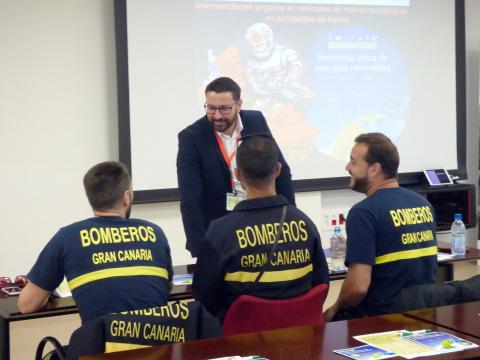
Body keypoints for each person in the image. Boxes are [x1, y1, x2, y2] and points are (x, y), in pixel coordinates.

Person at [18, 161, 173, 323]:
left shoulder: (67, 238)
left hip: (102, 345)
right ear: (126, 197)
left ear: (91, 197)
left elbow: (27, 305)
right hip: (158, 344)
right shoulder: (155, 233)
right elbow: (164, 289)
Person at [193, 135, 329, 320]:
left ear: (237, 174)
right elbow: (321, 284)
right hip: (301, 338)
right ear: (278, 169)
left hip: (239, 342)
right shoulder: (305, 224)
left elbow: (204, 298)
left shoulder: (220, 232)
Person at [324, 133, 437, 321]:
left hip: (378, 319)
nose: (347, 167)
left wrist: (334, 309)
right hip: (422, 314)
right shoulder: (423, 204)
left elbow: (358, 288)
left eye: (353, 162)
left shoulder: (364, 213)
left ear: (374, 169)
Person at [177, 76, 295, 257]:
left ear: (238, 104)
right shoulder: (191, 138)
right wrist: (200, 248)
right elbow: (190, 198)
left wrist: (291, 219)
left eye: (224, 109)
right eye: (211, 108)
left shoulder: (256, 121)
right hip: (219, 228)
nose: (217, 116)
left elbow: (282, 171)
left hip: (260, 221)